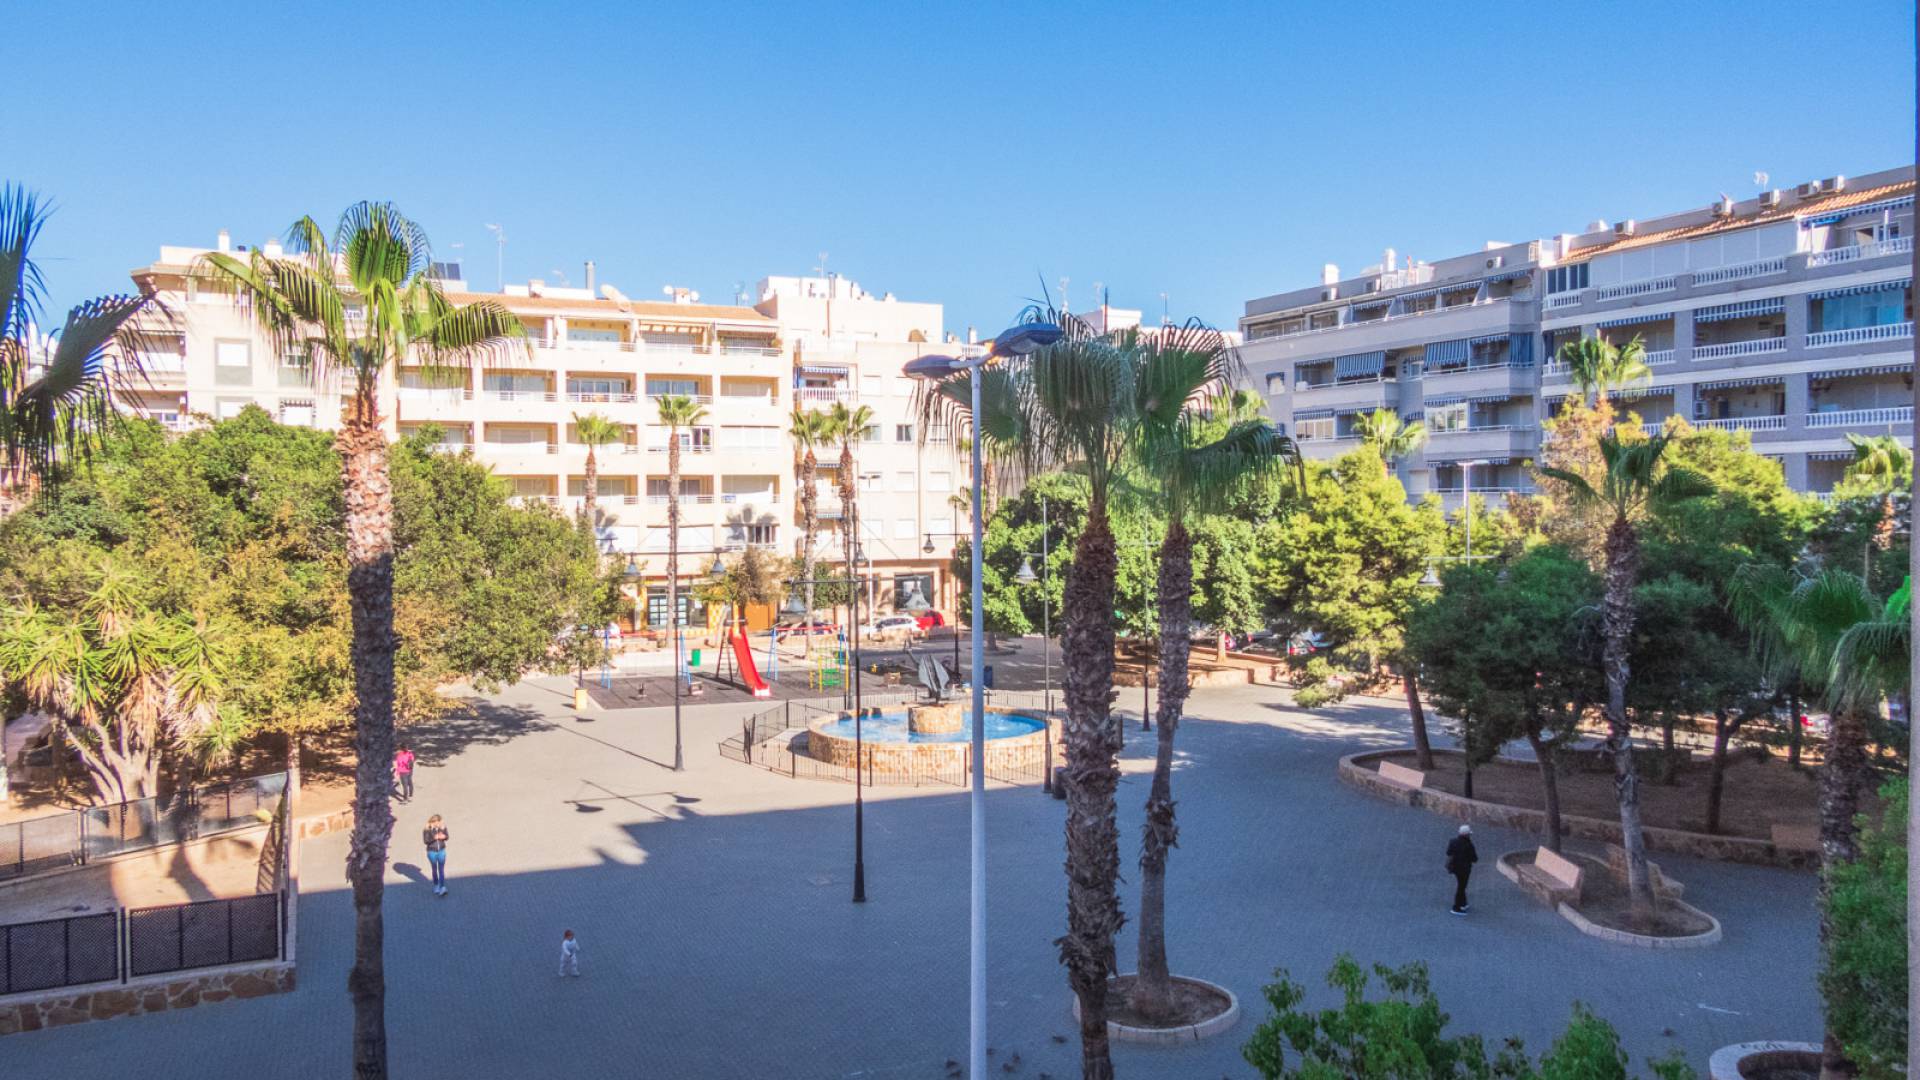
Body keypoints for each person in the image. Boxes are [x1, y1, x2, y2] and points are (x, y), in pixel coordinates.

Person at [1446, 824, 1478, 915]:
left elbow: (1448, 852)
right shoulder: (1469, 845)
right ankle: (1456, 907)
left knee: (1461, 885)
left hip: (1455, 867)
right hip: (1465, 869)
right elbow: (1474, 858)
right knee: (1461, 887)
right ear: (1467, 835)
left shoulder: (1453, 841)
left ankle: (1463, 903)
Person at [424, 814, 450, 896]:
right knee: (434, 869)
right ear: (431, 822)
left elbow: (447, 837)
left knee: (441, 869)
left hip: (441, 851)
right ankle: (436, 885)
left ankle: (442, 887)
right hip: (432, 852)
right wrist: (434, 837)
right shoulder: (427, 830)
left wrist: (444, 836)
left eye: (438, 821)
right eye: (434, 821)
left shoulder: (442, 828)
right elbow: (426, 841)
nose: (436, 823)